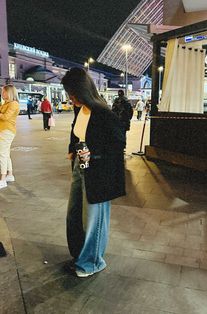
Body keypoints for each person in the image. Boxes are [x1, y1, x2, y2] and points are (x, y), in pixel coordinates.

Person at [61, 68, 126, 277]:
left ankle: (92, 262)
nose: (71, 98)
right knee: (74, 214)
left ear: (82, 90)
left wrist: (93, 154)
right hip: (81, 169)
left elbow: (118, 142)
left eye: (73, 94)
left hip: (98, 173)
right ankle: (79, 256)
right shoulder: (81, 110)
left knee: (93, 219)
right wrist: (74, 150)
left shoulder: (102, 112)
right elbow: (76, 134)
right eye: (69, 94)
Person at [0, 85, 20, 189]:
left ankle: (2, 179)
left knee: (2, 154)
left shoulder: (14, 104)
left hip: (7, 131)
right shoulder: (5, 104)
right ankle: (9, 175)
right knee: (5, 153)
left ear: (9, 93)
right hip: (3, 130)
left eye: (3, 92)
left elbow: (6, 117)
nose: (2, 94)